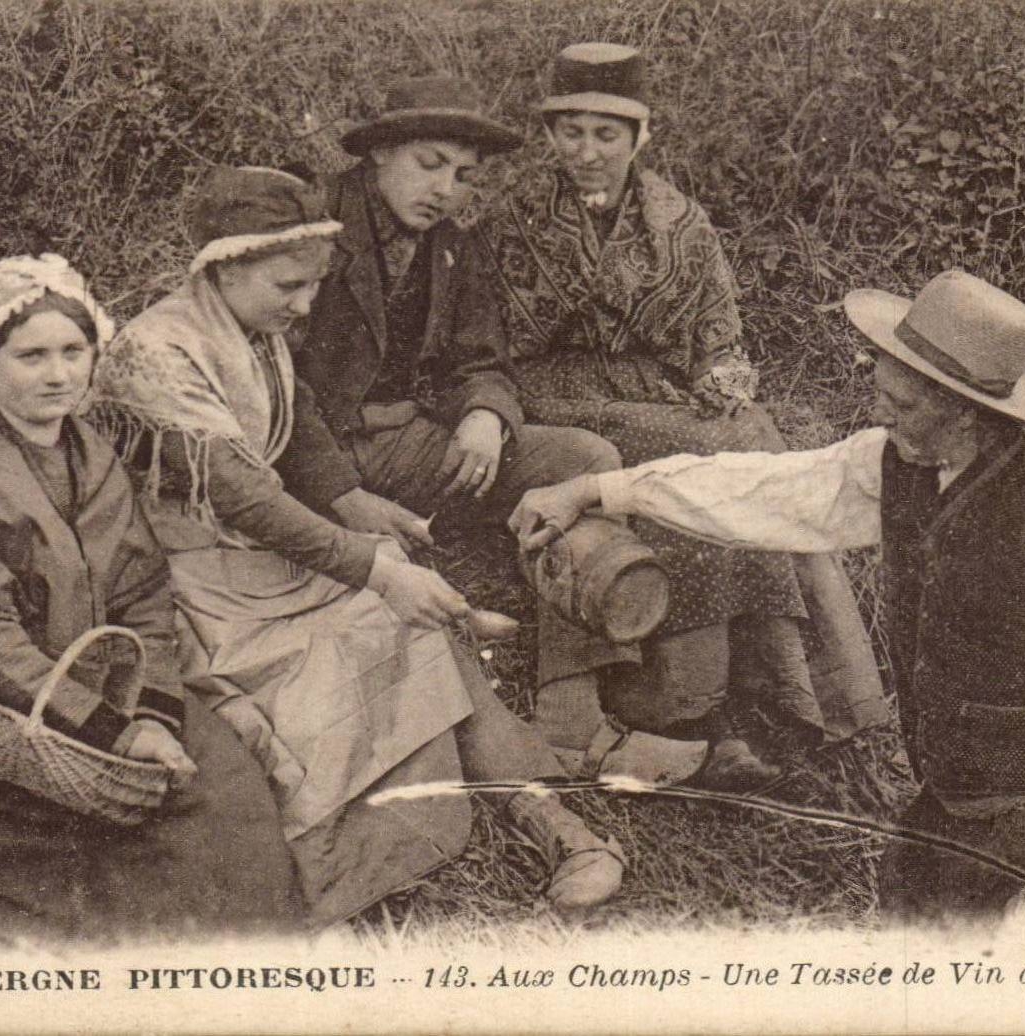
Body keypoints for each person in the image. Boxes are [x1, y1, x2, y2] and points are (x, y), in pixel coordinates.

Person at [510, 269, 1025, 926]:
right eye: (880, 391)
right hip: (950, 808)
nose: (880, 412)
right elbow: (763, 490)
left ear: (967, 411)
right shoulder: (901, 463)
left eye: (903, 404)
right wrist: (598, 491)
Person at [88, 166, 625, 927]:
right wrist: (368, 566)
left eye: (314, 285)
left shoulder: (248, 325)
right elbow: (243, 494)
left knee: (409, 618)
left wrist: (356, 505)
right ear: (226, 264)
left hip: (242, 561)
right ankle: (355, 873)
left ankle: (559, 829)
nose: (306, 304)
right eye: (289, 285)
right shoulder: (156, 352)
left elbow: (294, 419)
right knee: (377, 619)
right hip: (176, 585)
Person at [287, 74, 755, 785]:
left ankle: (570, 713)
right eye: (429, 163)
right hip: (321, 455)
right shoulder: (313, 229)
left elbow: (484, 358)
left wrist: (485, 412)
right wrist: (345, 496)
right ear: (378, 154)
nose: (446, 187)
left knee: (580, 459)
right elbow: (273, 385)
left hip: (411, 440)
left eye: (464, 174)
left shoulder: (453, 243)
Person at [0, 255, 304, 944]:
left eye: (73, 352)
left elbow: (142, 588)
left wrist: (150, 708)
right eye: (30, 357)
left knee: (222, 784)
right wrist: (112, 731)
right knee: (92, 846)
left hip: (87, 669)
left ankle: (251, 943)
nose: (57, 375)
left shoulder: (93, 455)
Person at [480, 43, 888, 777]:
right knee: (698, 453)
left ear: (641, 137)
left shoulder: (683, 222)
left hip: (659, 391)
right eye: (570, 132)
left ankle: (797, 690)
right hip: (558, 394)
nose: (587, 152)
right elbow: (489, 344)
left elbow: (718, 335)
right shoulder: (514, 221)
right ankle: (693, 706)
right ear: (549, 137)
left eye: (607, 135)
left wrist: (723, 383)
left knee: (753, 438)